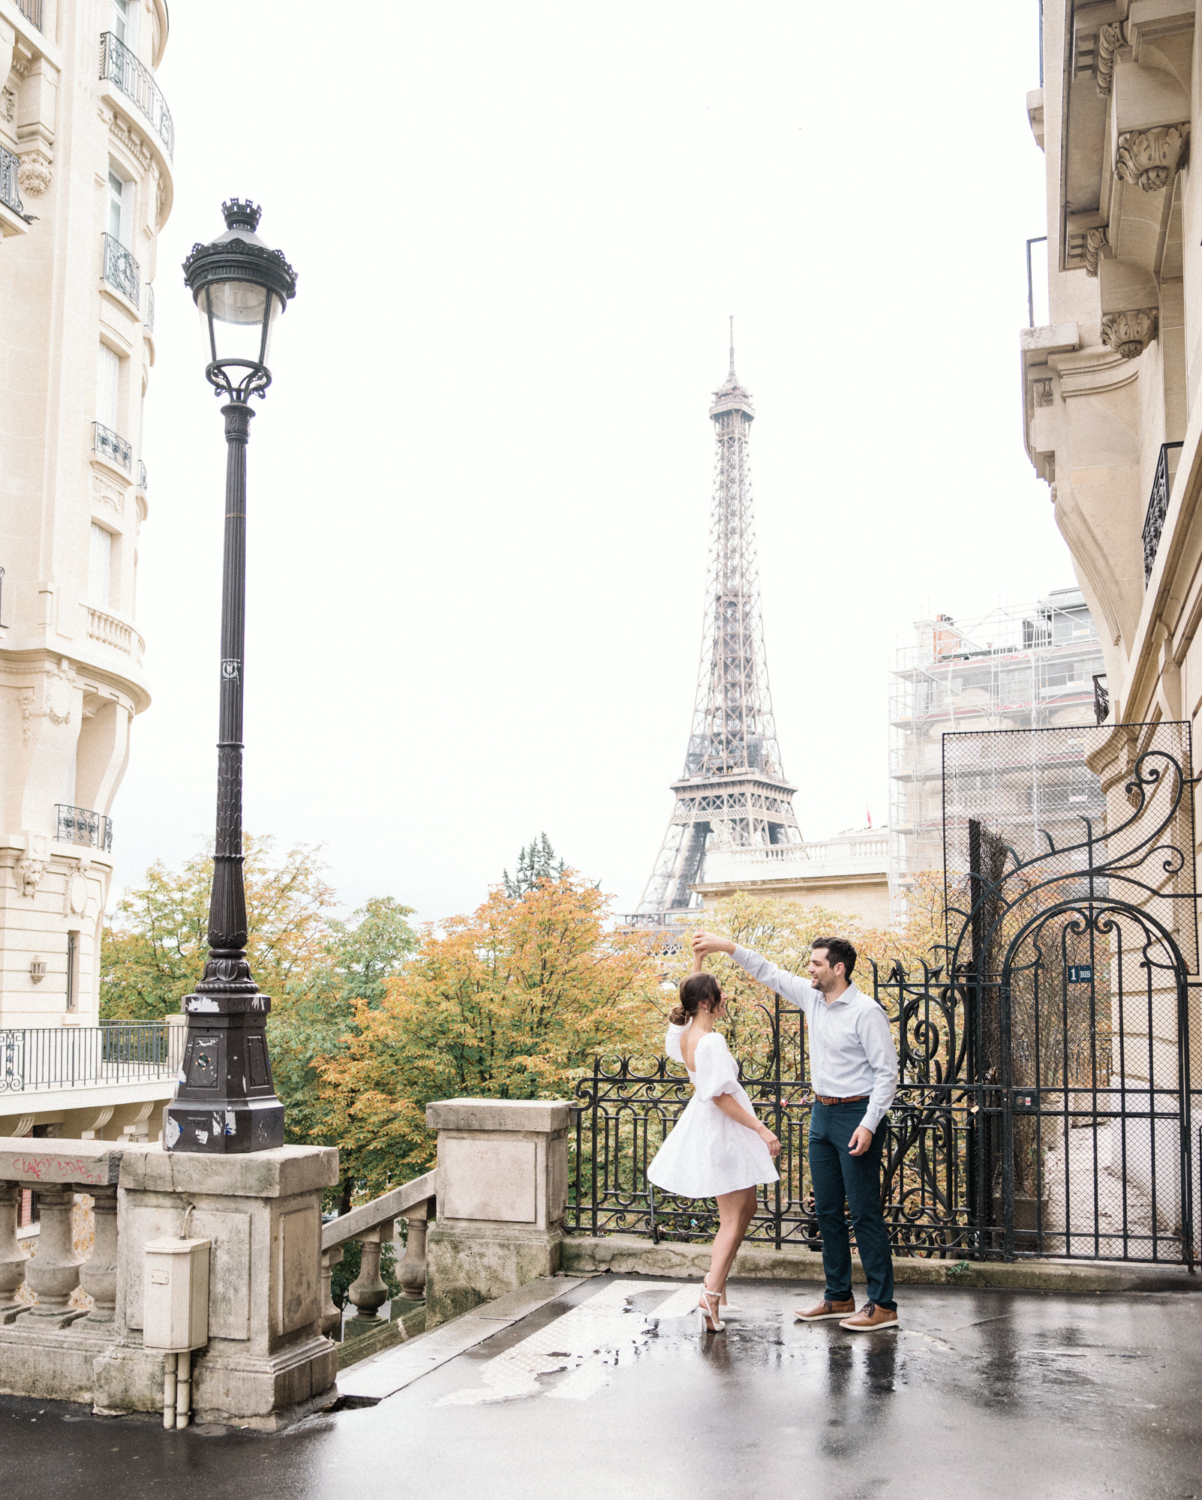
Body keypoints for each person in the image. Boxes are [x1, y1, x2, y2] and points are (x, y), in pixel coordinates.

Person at [692, 930, 900, 1332]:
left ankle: (883, 1304)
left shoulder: (866, 1011)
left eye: (817, 963)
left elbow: (886, 1074)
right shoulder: (811, 998)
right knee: (825, 1210)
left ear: (838, 969)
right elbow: (766, 970)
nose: (810, 969)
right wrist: (723, 946)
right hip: (822, 1113)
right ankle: (838, 1295)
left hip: (858, 1115)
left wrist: (869, 1125)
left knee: (863, 1212)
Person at [646, 947, 782, 1333]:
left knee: (748, 1207)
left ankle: (716, 1289)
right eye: (719, 993)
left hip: (714, 1126)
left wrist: (698, 964)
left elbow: (688, 999)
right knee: (732, 1217)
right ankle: (711, 1292)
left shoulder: (685, 1034)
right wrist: (760, 1127)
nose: (725, 998)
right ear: (706, 1002)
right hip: (724, 1128)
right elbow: (720, 1096)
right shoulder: (711, 1042)